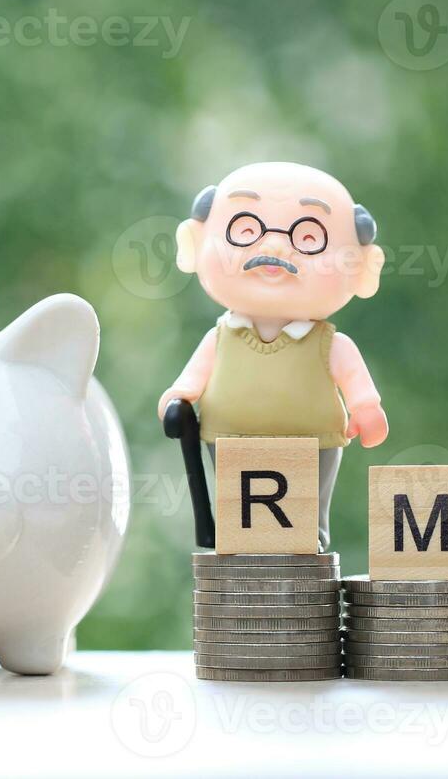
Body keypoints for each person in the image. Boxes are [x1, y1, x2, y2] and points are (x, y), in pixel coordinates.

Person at [157, 161, 388, 548]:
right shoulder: (220, 338)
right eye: (246, 230)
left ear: (362, 266)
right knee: (238, 498)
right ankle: (238, 532)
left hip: (312, 441)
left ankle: (310, 531)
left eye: (308, 237)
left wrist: (366, 408)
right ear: (195, 243)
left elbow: (357, 384)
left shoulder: (330, 344)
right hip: (229, 439)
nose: (274, 245)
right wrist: (177, 398)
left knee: (310, 492)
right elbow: (190, 382)